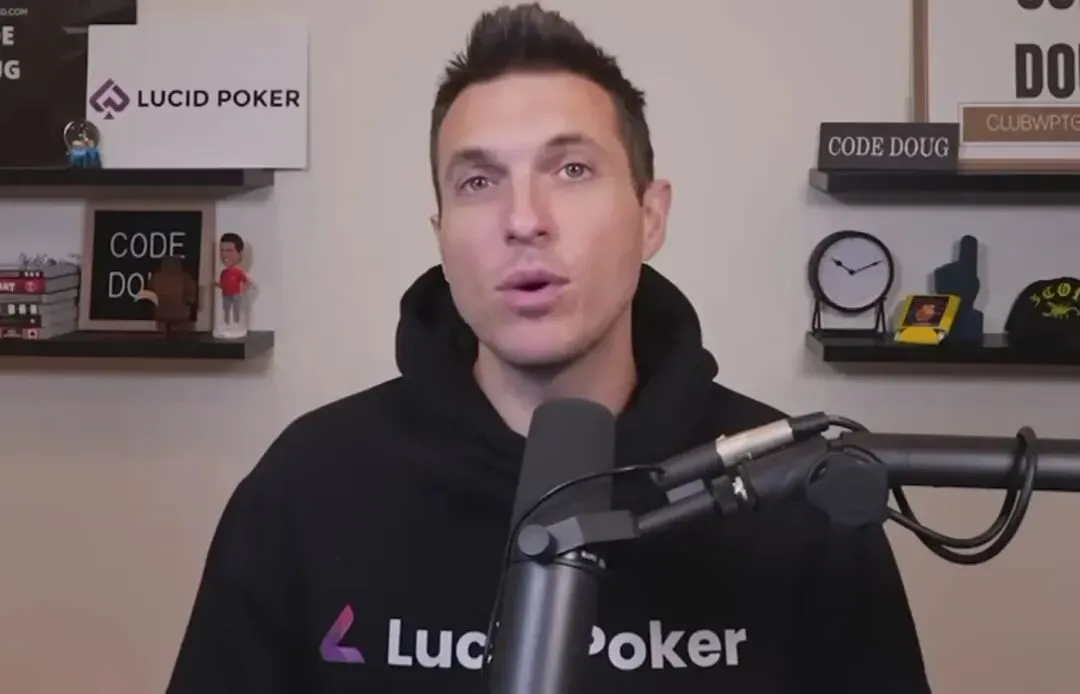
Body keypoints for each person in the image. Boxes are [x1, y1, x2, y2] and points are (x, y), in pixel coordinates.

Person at [165, 4, 931, 693]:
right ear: (441, 233)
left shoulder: (793, 494)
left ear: (651, 215)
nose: (524, 219)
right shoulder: (306, 488)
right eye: (477, 182)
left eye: (571, 169)